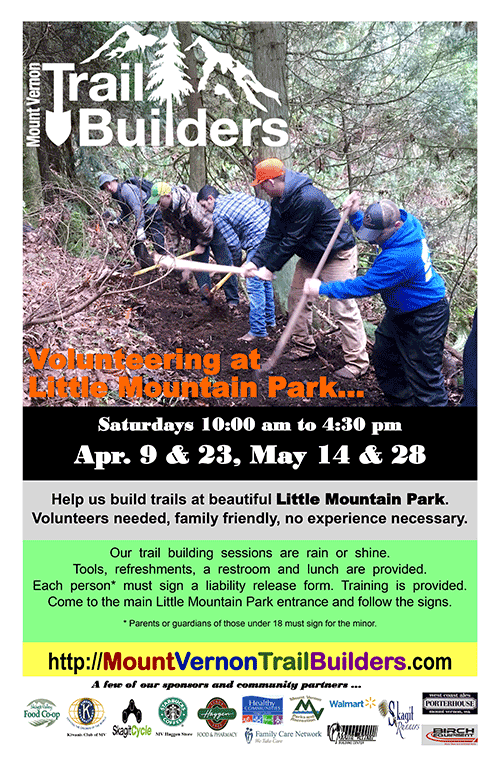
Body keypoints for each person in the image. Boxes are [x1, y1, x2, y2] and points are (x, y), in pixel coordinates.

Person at [303, 192, 450, 407]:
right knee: (385, 358)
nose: (372, 239)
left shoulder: (400, 257)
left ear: (396, 225)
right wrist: (355, 214)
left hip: (426, 316)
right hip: (400, 311)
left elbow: (364, 285)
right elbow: (373, 227)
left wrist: (322, 288)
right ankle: (402, 403)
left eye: (376, 234)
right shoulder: (405, 226)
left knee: (424, 375)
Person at [243, 158, 369, 378]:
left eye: (261, 184)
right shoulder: (279, 202)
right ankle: (304, 346)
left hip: (336, 254)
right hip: (311, 254)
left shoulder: (306, 198)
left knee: (343, 307)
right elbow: (273, 236)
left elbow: (292, 239)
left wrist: (270, 268)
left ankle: (357, 363)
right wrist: (255, 261)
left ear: (271, 182)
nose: (260, 188)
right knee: (296, 299)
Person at [197, 185, 275, 340]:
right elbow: (265, 206)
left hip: (258, 242)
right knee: (264, 280)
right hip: (272, 237)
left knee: (254, 285)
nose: (205, 211)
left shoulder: (218, 216)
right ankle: (269, 321)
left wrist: (237, 265)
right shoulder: (237, 195)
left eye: (204, 206)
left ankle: (258, 331)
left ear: (211, 199)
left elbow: (233, 245)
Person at [147, 181, 239, 309]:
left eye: (158, 201)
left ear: (167, 196)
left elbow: (208, 224)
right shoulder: (166, 212)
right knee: (198, 267)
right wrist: (171, 255)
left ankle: (232, 300)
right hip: (196, 234)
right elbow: (172, 234)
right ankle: (206, 298)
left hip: (215, 229)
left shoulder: (191, 203)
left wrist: (202, 244)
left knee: (224, 263)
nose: (157, 205)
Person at [98, 173, 166, 267]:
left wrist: (140, 228)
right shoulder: (118, 195)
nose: (108, 187)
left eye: (109, 183)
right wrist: (117, 221)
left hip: (152, 213)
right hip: (144, 216)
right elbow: (126, 211)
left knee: (159, 243)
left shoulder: (125, 190)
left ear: (114, 181)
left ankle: (174, 269)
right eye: (105, 187)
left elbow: (138, 209)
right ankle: (146, 265)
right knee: (134, 240)